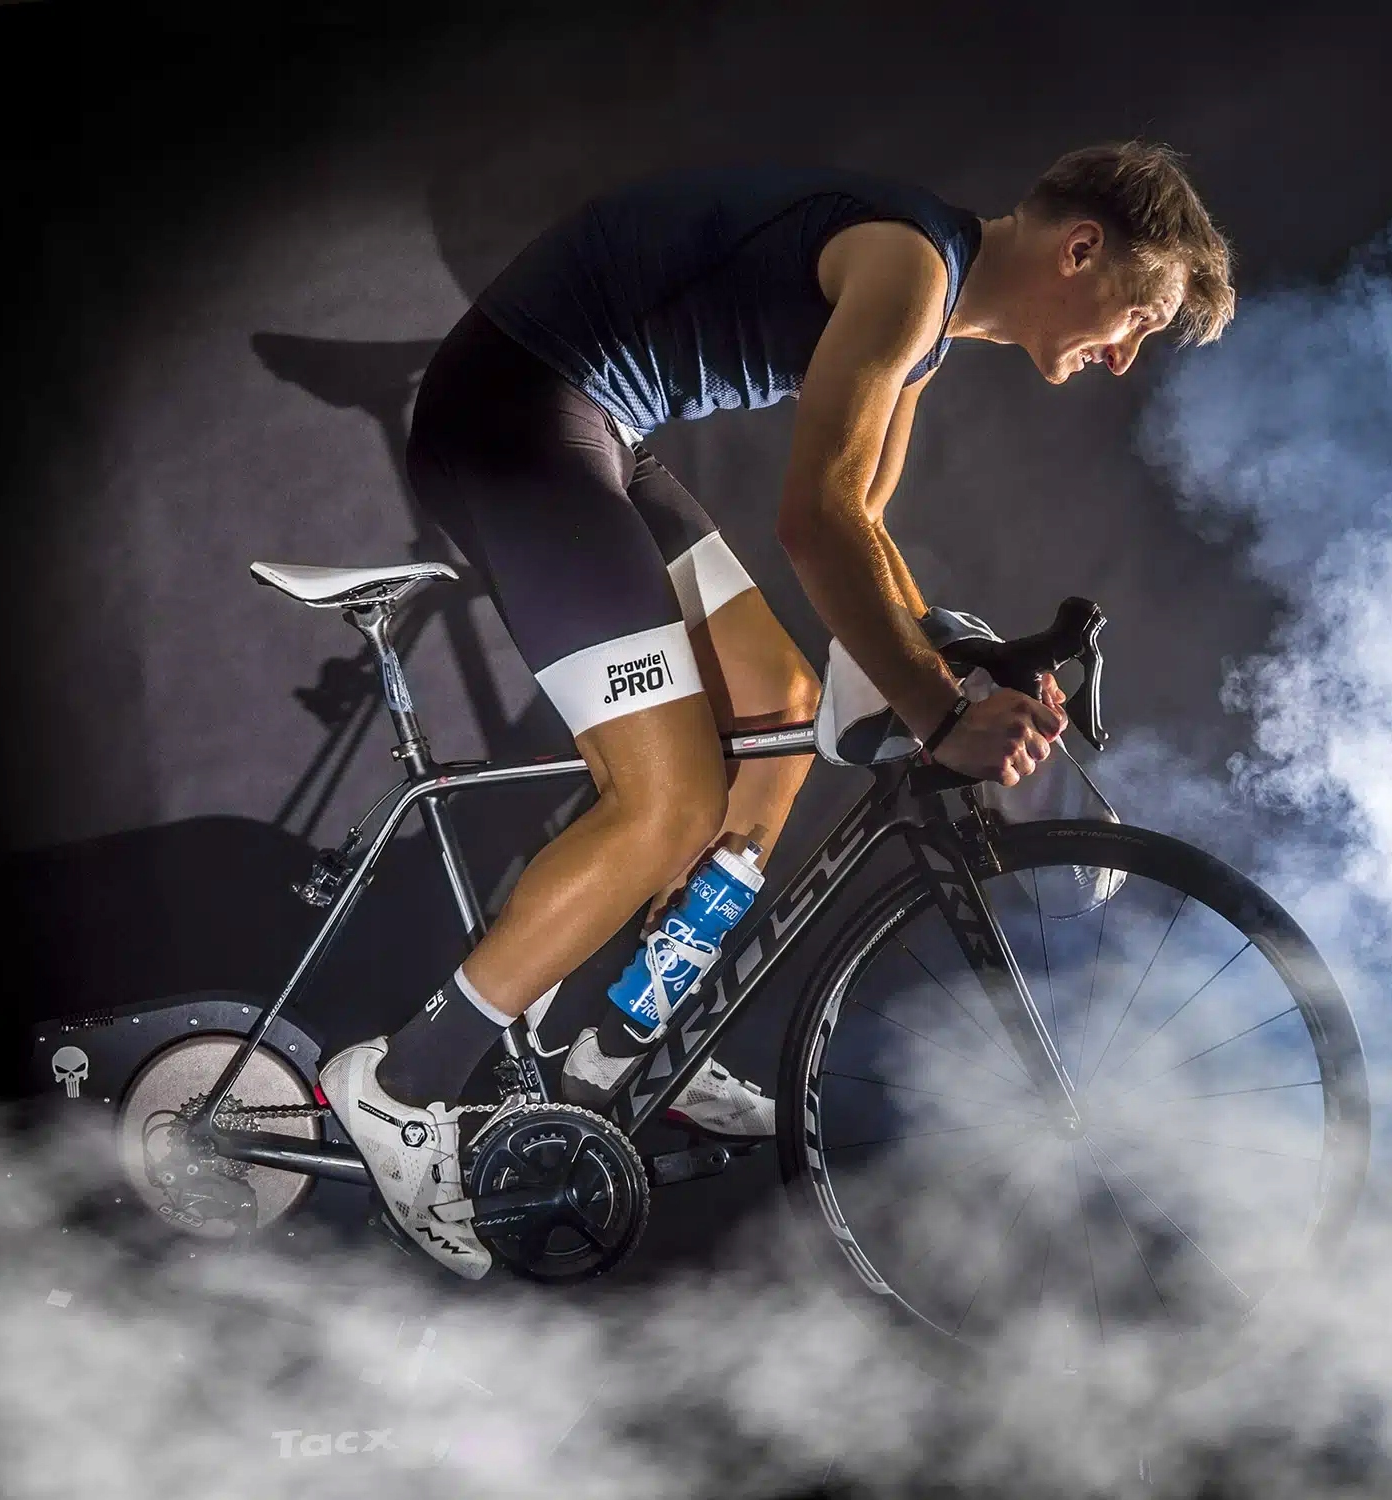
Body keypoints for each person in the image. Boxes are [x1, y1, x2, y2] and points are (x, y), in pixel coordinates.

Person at [318, 143, 1236, 1277]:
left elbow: (866, 532)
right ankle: (400, 1082)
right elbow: (815, 525)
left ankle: (622, 1045)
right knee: (664, 804)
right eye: (1138, 317)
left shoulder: (931, 309)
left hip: (597, 426)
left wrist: (964, 666)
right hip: (517, 411)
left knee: (782, 711)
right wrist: (942, 718)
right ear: (1081, 249)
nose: (1125, 356)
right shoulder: (905, 268)